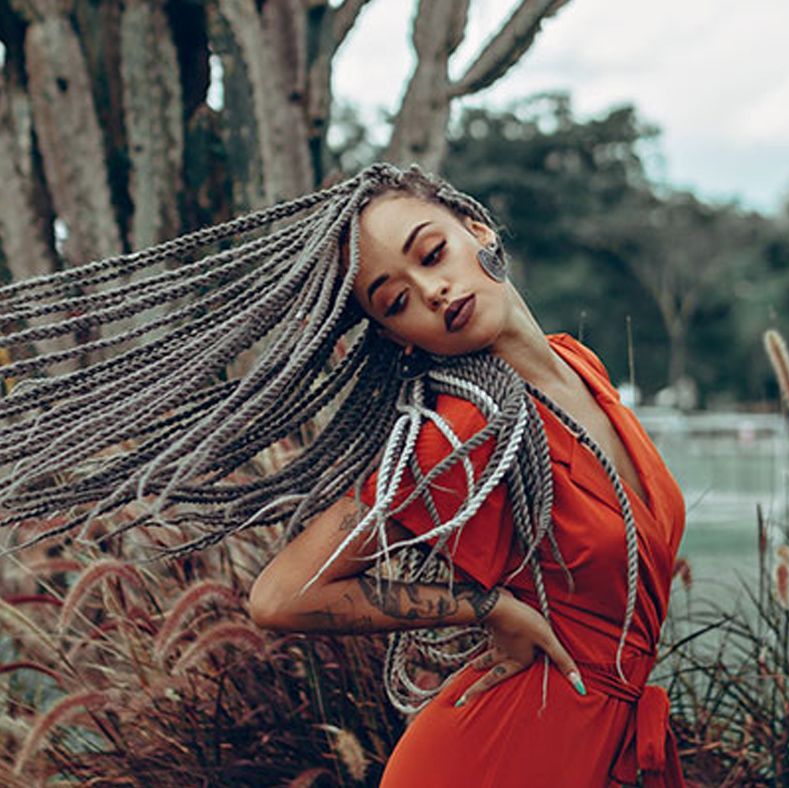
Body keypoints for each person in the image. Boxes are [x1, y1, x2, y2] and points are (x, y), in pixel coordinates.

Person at [0, 162, 687, 786]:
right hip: (500, 755)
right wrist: (488, 608)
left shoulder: (582, 368)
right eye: (394, 301)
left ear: (476, 228)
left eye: (432, 252)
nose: (432, 289)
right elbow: (280, 595)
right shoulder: (464, 431)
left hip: (593, 747)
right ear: (395, 335)